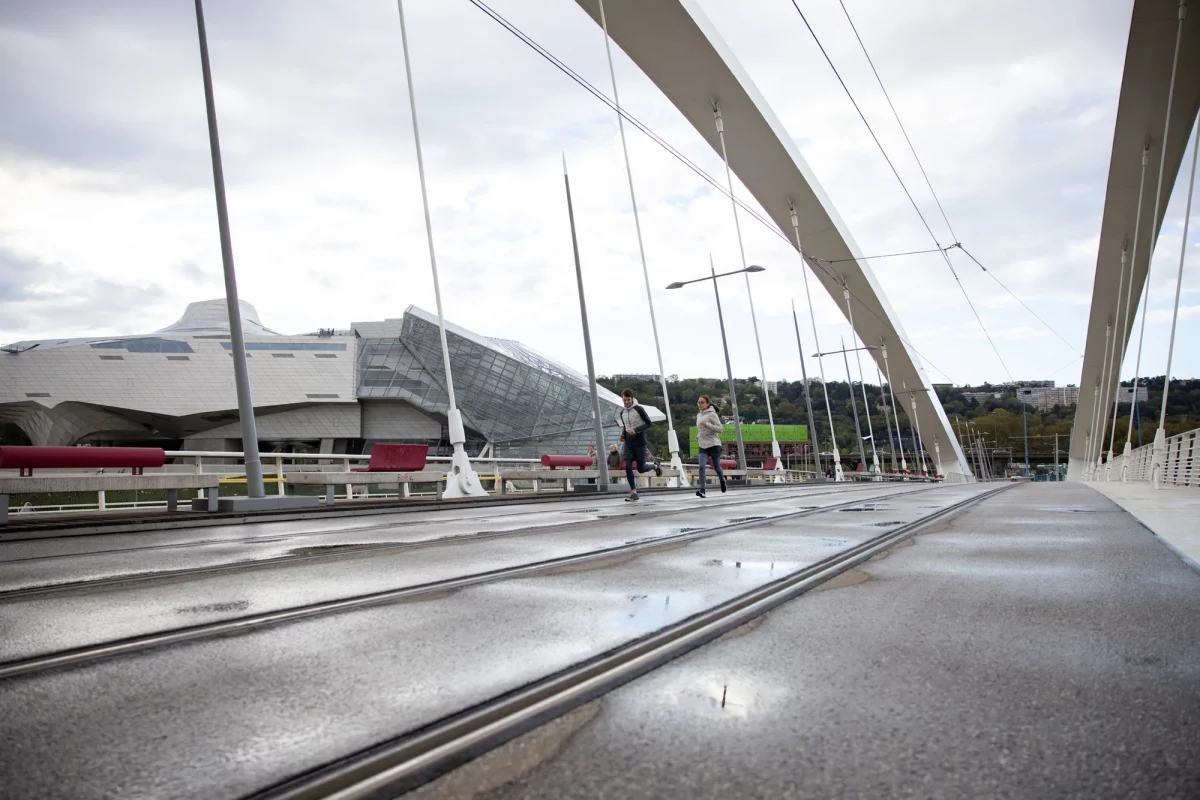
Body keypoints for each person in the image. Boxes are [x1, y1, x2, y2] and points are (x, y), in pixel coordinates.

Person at [616, 389, 661, 501]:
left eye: (628, 400)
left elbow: (648, 423)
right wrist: (623, 435)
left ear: (632, 398)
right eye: (624, 400)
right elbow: (625, 427)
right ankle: (633, 491)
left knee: (641, 469)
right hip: (628, 443)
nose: (626, 402)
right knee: (628, 466)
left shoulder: (639, 409)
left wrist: (637, 430)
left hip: (640, 443)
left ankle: (655, 466)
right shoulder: (623, 413)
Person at [695, 394, 727, 497]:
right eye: (699, 402)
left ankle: (722, 480)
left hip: (714, 444)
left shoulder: (712, 415)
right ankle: (702, 490)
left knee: (716, 467)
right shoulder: (698, 416)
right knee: (701, 466)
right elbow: (700, 429)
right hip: (703, 445)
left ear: (707, 404)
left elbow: (720, 429)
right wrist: (698, 436)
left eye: (702, 402)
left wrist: (708, 424)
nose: (700, 404)